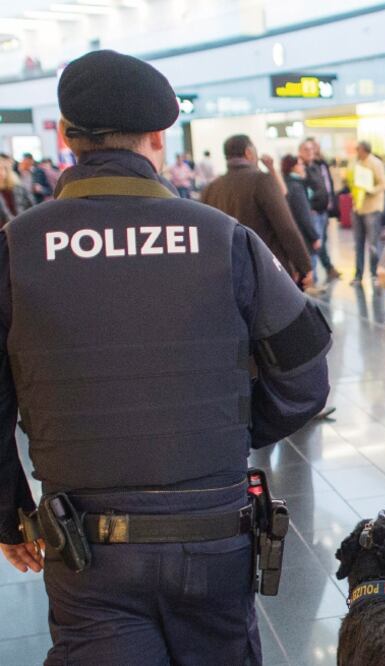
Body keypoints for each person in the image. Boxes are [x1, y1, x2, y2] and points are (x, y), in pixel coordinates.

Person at [0, 49, 331, 664]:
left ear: (68, 137)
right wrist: (228, 432)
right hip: (213, 538)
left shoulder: (16, 249)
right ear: (159, 136)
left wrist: (8, 511)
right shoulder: (224, 239)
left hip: (85, 547)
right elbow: (306, 376)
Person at [202, 135, 313, 288]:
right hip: (267, 270)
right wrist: (304, 265)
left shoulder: (211, 188)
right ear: (248, 152)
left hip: (230, 274)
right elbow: (285, 227)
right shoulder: (261, 181)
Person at [281, 154, 322, 293]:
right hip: (302, 235)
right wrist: (314, 236)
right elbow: (304, 215)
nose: (302, 166)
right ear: (293, 167)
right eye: (299, 164)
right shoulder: (296, 187)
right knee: (308, 267)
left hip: (291, 235)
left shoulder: (283, 184)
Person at [300, 138, 340, 283]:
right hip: (314, 213)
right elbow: (302, 192)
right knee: (314, 245)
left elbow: (324, 187)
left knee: (321, 243)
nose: (311, 152)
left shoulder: (316, 166)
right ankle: (313, 280)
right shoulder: (302, 169)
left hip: (323, 211)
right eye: (307, 149)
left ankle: (326, 269)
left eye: (312, 149)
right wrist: (310, 208)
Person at [350, 141, 385, 285]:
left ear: (365, 150)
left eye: (358, 149)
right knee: (358, 243)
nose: (356, 152)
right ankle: (358, 275)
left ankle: (374, 273)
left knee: (373, 243)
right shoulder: (357, 164)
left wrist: (370, 189)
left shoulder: (375, 163)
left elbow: (383, 184)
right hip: (358, 207)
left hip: (372, 208)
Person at [0, 156, 32, 224]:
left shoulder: (18, 188)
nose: (1, 173)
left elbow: (31, 206)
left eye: (2, 169)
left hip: (22, 225)